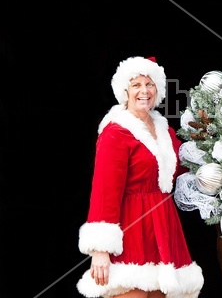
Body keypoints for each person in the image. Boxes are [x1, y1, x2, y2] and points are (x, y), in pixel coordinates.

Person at [76, 56, 204, 298]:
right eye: (136, 85)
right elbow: (105, 191)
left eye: (150, 84)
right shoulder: (115, 132)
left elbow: (185, 167)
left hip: (164, 228)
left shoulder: (164, 131)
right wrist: (101, 249)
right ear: (125, 90)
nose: (144, 91)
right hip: (131, 229)